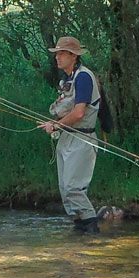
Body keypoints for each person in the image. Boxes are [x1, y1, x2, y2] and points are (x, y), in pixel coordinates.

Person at [41, 36, 103, 234]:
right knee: (64, 189)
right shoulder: (68, 79)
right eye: (57, 53)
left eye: (61, 53)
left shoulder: (84, 77)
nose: (57, 57)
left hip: (83, 139)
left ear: (73, 56)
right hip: (67, 138)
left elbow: (79, 113)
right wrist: (54, 124)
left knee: (73, 188)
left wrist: (56, 126)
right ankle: (80, 229)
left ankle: (91, 228)